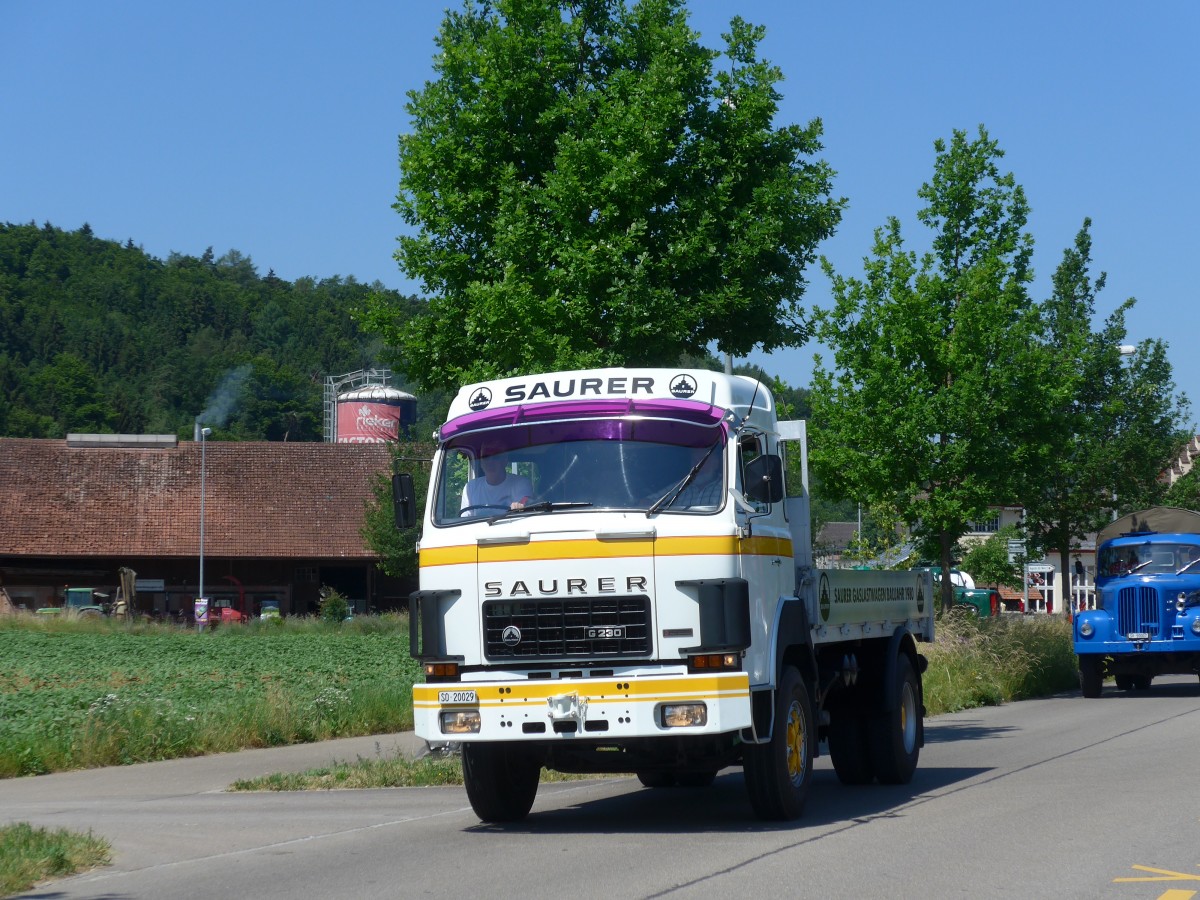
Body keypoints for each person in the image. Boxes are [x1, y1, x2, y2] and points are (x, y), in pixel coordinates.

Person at [461, 445, 534, 515]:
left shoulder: (521, 483)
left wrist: (520, 506)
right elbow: (465, 519)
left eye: (495, 457)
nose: (490, 462)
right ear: (481, 462)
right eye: (486, 457)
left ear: (505, 461)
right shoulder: (470, 488)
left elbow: (524, 501)